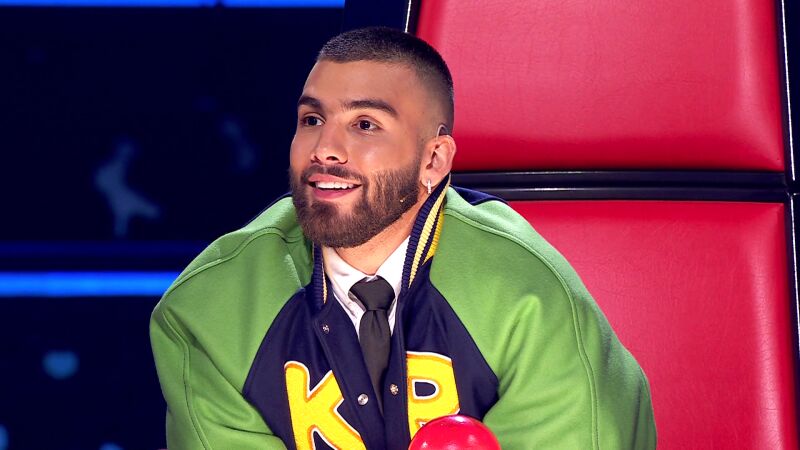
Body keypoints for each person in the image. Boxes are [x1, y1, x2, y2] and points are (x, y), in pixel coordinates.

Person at [150, 26, 657, 450]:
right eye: (312, 120)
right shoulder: (210, 310)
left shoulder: (528, 295)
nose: (325, 148)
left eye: (365, 124)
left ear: (433, 160)